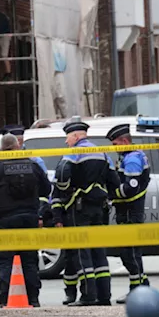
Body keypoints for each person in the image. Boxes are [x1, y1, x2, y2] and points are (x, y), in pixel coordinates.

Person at [50, 118, 119, 306]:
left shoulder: (75, 152)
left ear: (75, 136)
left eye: (67, 138)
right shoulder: (103, 153)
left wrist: (65, 190)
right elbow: (114, 181)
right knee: (99, 252)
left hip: (79, 208)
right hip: (100, 208)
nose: (66, 142)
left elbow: (63, 173)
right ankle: (104, 296)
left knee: (83, 252)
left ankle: (88, 295)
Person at [0, 133, 49, 307]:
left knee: (6, 260)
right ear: (17, 146)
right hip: (29, 218)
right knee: (29, 259)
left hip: (5, 219)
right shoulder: (32, 164)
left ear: (0, 148)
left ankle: (4, 296)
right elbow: (46, 189)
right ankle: (33, 298)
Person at [107, 123, 150, 303]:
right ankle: (142, 286)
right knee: (132, 252)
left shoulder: (132, 159)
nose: (113, 148)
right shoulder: (130, 155)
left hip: (130, 211)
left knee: (129, 253)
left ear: (125, 141)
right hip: (128, 211)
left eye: (115, 144)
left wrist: (112, 194)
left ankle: (138, 290)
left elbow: (130, 187)